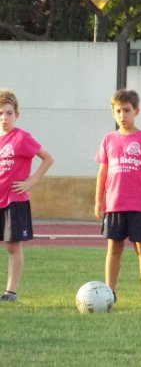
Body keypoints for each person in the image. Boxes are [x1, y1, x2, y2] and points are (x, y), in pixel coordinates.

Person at [94, 89, 141, 306]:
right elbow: (103, 172)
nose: (123, 115)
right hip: (115, 205)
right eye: (118, 111)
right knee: (114, 249)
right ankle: (109, 292)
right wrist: (98, 201)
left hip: (139, 206)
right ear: (113, 113)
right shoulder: (108, 139)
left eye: (127, 110)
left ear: (136, 111)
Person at [0, 89, 54, 302]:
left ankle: (10, 292)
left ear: (16, 115)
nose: (4, 118)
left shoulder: (21, 138)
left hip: (14, 200)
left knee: (12, 245)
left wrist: (32, 181)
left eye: (8, 113)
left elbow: (48, 158)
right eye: (0, 113)